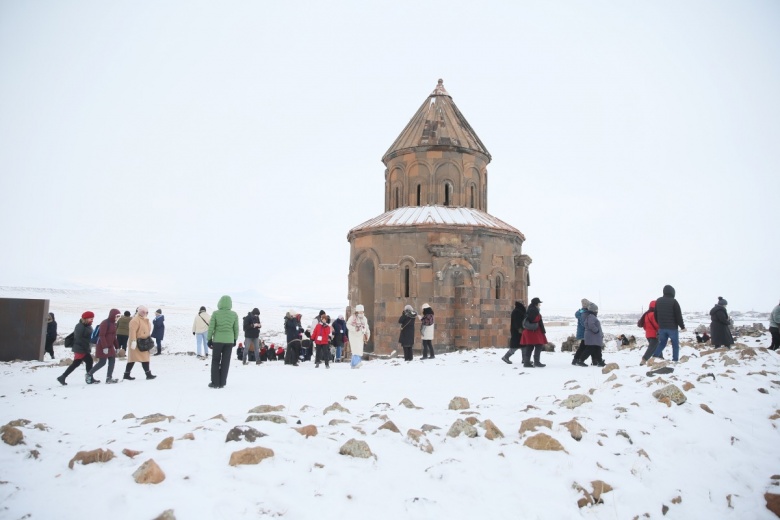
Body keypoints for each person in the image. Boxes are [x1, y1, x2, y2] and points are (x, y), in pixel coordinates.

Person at [207, 295, 239, 388]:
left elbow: (211, 328)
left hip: (217, 340)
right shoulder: (234, 314)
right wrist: (235, 339)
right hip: (229, 341)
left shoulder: (216, 313)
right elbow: (236, 328)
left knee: (215, 361)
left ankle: (215, 382)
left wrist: (209, 339)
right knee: (226, 361)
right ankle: (222, 382)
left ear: (220, 303)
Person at [57, 311, 95, 385]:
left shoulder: (88, 326)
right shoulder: (79, 326)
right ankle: (89, 378)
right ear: (86, 319)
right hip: (80, 348)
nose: (92, 320)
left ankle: (62, 377)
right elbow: (78, 338)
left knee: (76, 363)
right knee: (89, 361)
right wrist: (85, 347)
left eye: (92, 318)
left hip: (84, 348)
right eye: (91, 318)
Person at [652, 285, 687, 362]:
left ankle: (654, 357)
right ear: (672, 292)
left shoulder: (658, 301)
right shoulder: (674, 301)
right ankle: (675, 360)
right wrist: (682, 327)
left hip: (662, 328)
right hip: (672, 328)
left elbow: (655, 315)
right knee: (675, 345)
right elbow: (678, 316)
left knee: (662, 343)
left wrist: (660, 323)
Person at [88, 308, 121, 384]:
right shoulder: (105, 323)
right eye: (117, 316)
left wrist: (117, 347)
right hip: (102, 346)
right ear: (113, 315)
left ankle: (109, 378)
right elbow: (102, 335)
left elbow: (114, 337)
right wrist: (105, 347)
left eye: (119, 316)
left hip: (110, 346)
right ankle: (89, 374)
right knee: (102, 362)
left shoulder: (114, 324)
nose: (118, 318)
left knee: (112, 361)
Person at [124, 306, 157, 380]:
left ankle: (147, 374)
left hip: (144, 342)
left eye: (146, 312)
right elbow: (132, 331)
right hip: (137, 343)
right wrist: (133, 341)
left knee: (144, 358)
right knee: (133, 359)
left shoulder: (145, 320)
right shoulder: (135, 320)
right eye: (143, 312)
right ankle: (128, 374)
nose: (145, 313)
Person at [520, 297, 547, 368]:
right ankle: (536, 362)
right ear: (536, 303)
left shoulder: (530, 308)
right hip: (533, 331)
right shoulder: (533, 309)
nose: (540, 305)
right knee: (538, 345)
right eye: (539, 303)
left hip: (530, 331)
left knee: (530, 346)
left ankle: (527, 362)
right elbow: (534, 319)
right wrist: (539, 316)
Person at [577, 302, 605, 367]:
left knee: (597, 348)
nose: (597, 312)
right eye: (596, 310)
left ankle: (600, 361)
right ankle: (581, 360)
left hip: (594, 337)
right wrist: (596, 330)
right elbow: (591, 325)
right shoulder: (591, 316)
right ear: (593, 310)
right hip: (592, 336)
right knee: (590, 349)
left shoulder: (591, 316)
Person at [346, 304, 370, 369]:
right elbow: (348, 325)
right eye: (360, 312)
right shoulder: (352, 317)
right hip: (353, 336)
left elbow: (366, 327)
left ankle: (354, 364)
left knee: (359, 350)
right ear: (357, 312)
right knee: (355, 350)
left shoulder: (364, 318)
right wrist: (354, 328)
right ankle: (356, 363)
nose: (361, 313)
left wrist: (367, 334)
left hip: (360, 336)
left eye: (362, 312)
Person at [638, 301, 660, 365]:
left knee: (656, 346)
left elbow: (644, 325)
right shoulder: (653, 314)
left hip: (648, 334)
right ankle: (644, 359)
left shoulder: (646, 314)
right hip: (654, 334)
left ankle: (660, 358)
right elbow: (657, 324)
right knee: (652, 348)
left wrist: (648, 330)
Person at [571, 299, 590, 365]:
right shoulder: (584, 313)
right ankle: (578, 359)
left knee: (583, 346)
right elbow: (584, 323)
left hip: (582, 332)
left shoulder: (581, 312)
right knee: (585, 346)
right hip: (584, 332)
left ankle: (576, 359)